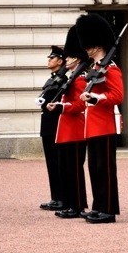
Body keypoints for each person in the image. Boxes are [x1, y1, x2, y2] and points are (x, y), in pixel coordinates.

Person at [74, 13, 124, 225]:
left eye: (88, 44)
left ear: (97, 44)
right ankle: (98, 206)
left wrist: (95, 97)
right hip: (92, 126)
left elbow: (118, 96)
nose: (86, 48)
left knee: (105, 169)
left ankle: (109, 209)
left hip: (104, 125)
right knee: (94, 168)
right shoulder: (94, 69)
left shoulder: (110, 69)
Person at [50, 27, 89, 219]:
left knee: (74, 170)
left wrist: (61, 107)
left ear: (77, 59)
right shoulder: (71, 79)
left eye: (70, 57)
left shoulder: (80, 80)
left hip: (75, 130)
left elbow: (80, 105)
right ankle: (70, 203)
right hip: (65, 130)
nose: (66, 60)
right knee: (66, 169)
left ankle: (78, 205)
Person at [38, 45, 67, 211]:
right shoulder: (52, 79)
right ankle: (55, 197)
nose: (49, 60)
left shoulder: (63, 81)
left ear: (60, 61)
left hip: (56, 126)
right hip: (47, 126)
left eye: (52, 58)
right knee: (51, 163)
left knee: (58, 163)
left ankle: (62, 197)